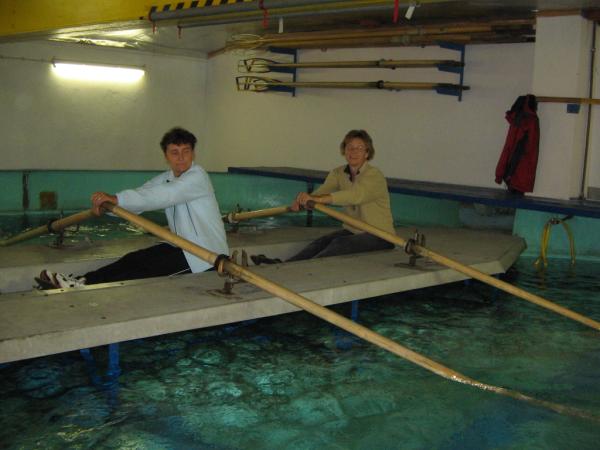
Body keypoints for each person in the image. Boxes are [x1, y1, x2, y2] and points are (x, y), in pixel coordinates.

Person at [37, 127, 229, 289]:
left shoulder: (198, 177)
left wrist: (116, 199)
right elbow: (143, 194)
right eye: (174, 152)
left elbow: (160, 196)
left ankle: (85, 286)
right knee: (134, 259)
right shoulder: (166, 178)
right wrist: (108, 207)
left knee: (145, 270)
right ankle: (81, 281)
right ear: (166, 156)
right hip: (181, 246)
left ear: (193, 153)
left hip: (205, 257)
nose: (181, 158)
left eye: (186, 151)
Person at [251, 129, 395, 265]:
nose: (354, 152)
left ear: (367, 153)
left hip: (381, 236)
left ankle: (303, 269)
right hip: (354, 231)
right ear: (344, 151)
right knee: (320, 242)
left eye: (360, 148)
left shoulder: (374, 175)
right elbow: (322, 192)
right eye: (350, 147)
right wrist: (303, 201)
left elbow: (355, 195)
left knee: (340, 243)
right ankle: (284, 266)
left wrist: (318, 200)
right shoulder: (338, 173)